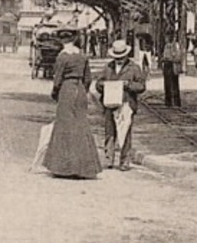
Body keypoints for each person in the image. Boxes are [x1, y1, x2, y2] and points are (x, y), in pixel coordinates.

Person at [44, 33, 101, 179]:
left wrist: (55, 92)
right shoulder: (82, 56)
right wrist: (83, 90)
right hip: (80, 89)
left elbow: (58, 79)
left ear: (63, 41)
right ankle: (84, 167)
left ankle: (64, 167)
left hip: (67, 89)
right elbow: (88, 78)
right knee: (81, 125)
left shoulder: (62, 56)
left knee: (65, 125)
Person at [96, 40, 148, 170]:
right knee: (109, 132)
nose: (118, 60)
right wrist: (102, 85)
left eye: (121, 57)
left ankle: (124, 161)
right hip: (109, 103)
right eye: (116, 57)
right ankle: (109, 159)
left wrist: (128, 85)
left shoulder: (134, 68)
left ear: (126, 56)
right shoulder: (108, 67)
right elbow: (98, 83)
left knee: (125, 133)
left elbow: (141, 86)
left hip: (126, 103)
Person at [159, 36, 184, 108]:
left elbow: (178, 57)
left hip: (173, 66)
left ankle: (176, 102)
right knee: (167, 84)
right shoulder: (166, 46)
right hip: (166, 66)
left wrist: (170, 58)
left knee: (174, 84)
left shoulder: (175, 45)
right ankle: (168, 102)